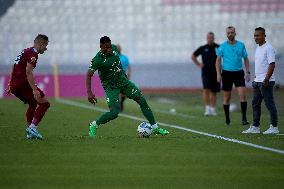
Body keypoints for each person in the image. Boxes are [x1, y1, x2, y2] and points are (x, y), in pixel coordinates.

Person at [86, 36, 169, 137]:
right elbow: (89, 75)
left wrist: (124, 76)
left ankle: (155, 128)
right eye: (106, 48)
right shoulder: (97, 60)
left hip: (123, 82)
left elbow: (119, 64)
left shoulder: (114, 49)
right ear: (101, 46)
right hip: (111, 87)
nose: (109, 49)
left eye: (110, 47)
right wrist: (89, 92)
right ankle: (94, 125)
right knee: (114, 113)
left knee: (141, 100)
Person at [5, 34, 50, 139]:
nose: (46, 48)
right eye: (45, 45)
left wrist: (10, 83)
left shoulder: (25, 51)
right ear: (40, 44)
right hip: (23, 83)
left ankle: (30, 133)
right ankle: (32, 127)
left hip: (15, 85)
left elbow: (14, 66)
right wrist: (34, 89)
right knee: (45, 104)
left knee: (33, 104)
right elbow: (28, 71)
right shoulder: (33, 54)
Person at [242, 27, 279, 134]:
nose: (255, 38)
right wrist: (256, 78)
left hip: (266, 81)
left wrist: (266, 79)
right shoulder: (258, 48)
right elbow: (260, 65)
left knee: (269, 104)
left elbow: (272, 65)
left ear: (264, 36)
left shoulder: (269, 48)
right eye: (254, 36)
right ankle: (255, 127)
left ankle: (274, 127)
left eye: (258, 35)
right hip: (258, 81)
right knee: (255, 104)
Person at [216, 26, 250, 126]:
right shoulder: (222, 46)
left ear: (235, 33)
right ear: (226, 34)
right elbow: (217, 61)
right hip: (226, 73)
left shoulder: (241, 45)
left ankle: (244, 118)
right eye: (228, 33)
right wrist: (218, 74)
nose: (230, 34)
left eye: (232, 32)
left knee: (242, 96)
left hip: (238, 73)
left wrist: (248, 72)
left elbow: (246, 58)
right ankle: (227, 119)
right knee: (227, 98)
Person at [192, 32, 220, 116]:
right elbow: (193, 56)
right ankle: (207, 108)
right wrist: (199, 64)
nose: (210, 39)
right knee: (206, 89)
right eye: (209, 37)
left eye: (212, 37)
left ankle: (213, 109)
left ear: (214, 38)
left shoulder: (218, 47)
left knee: (214, 91)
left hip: (216, 72)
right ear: (207, 38)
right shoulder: (203, 48)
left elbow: (224, 57)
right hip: (205, 72)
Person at [117, 44, 131, 112]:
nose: (118, 49)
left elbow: (128, 66)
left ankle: (121, 103)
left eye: (119, 48)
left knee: (124, 93)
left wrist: (129, 74)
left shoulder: (124, 57)